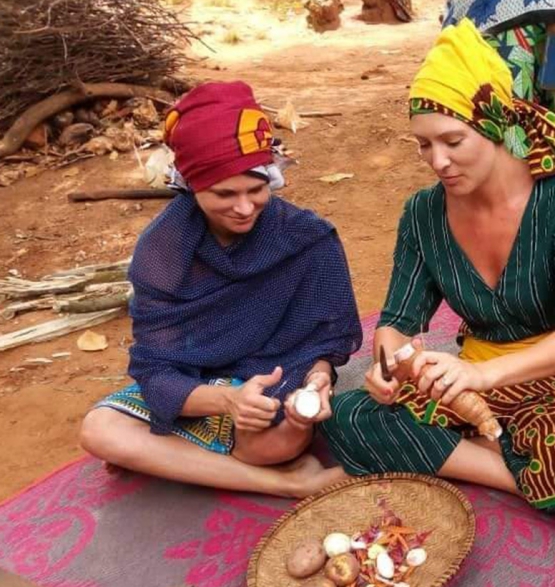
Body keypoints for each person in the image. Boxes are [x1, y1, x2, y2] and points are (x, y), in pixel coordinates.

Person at [322, 20, 555, 530]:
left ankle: (472, 448)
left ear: (494, 127)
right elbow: (398, 321)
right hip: (468, 385)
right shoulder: (423, 214)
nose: (439, 162)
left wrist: (482, 375)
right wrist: (387, 365)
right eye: (424, 146)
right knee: (347, 415)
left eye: (453, 140)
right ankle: (513, 472)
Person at [79, 82, 362, 498]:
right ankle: (287, 484)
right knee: (99, 430)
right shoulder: (162, 250)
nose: (244, 207)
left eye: (256, 189)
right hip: (196, 387)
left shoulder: (307, 239)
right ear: (191, 186)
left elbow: (325, 342)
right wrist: (226, 401)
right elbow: (155, 368)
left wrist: (318, 382)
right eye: (224, 194)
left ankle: (186, 458)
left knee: (278, 442)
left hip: (275, 375)